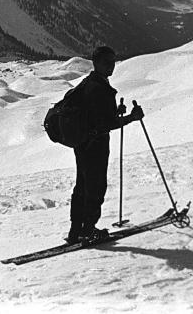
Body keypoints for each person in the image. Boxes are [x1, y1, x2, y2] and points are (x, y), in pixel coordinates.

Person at [66, 46, 143, 243]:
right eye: (107, 62)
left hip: (83, 143)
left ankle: (76, 230)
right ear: (96, 63)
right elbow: (105, 124)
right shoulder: (99, 88)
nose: (112, 66)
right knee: (95, 186)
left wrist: (115, 112)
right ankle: (88, 229)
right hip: (95, 144)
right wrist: (130, 118)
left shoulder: (89, 83)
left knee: (83, 186)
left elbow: (96, 116)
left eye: (113, 61)